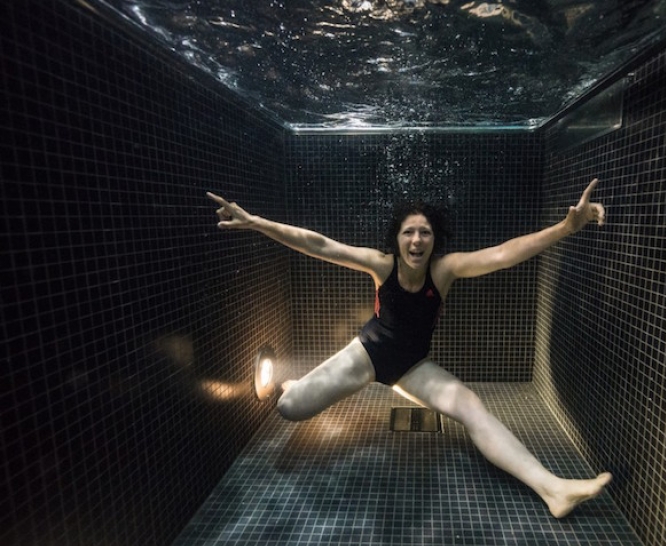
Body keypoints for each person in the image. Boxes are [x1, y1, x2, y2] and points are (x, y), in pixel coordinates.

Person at [207, 178, 611, 519]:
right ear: (397, 238)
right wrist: (255, 222)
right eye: (408, 232)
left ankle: (552, 489)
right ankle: (294, 384)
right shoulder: (382, 266)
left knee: (470, 405)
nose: (417, 240)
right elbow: (319, 244)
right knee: (289, 408)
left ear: (435, 239)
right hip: (366, 356)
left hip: (412, 367)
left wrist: (563, 228)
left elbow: (503, 255)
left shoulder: (445, 269)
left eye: (425, 233)